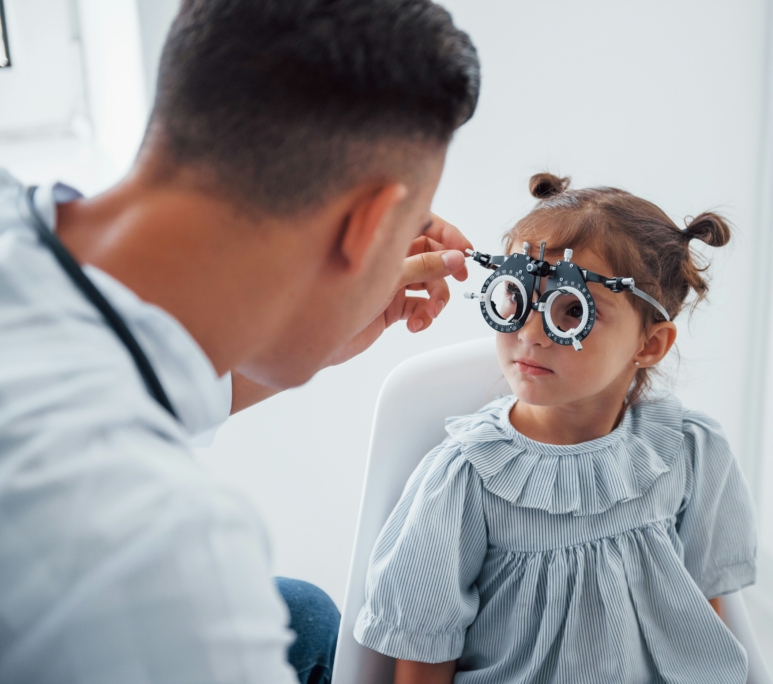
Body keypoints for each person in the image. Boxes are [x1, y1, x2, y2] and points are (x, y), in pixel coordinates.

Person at [0, 1, 480, 682]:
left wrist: (312, 326)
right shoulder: (172, 562)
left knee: (305, 617)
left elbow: (111, 382)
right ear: (367, 226)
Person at [354, 174, 758, 683]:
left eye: (573, 311)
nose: (530, 333)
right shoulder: (467, 479)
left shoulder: (688, 450)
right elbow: (423, 650)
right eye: (516, 296)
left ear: (650, 344)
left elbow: (702, 619)